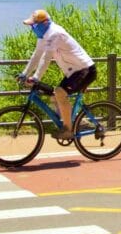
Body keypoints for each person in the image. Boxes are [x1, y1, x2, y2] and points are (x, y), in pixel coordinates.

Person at [17, 9, 96, 140]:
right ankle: (75, 123)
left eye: (34, 25)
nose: (32, 28)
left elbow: (46, 58)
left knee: (59, 92)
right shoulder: (44, 36)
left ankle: (68, 130)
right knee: (55, 97)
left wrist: (36, 77)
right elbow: (36, 55)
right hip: (74, 72)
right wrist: (24, 74)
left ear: (44, 23)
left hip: (85, 70)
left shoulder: (55, 34)